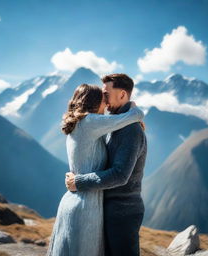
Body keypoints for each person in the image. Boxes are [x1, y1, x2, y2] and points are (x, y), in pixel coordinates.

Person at [46, 83, 145, 256]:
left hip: (73, 200)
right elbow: (131, 117)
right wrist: (135, 109)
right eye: (103, 99)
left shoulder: (77, 124)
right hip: (87, 204)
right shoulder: (91, 121)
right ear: (93, 102)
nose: (106, 104)